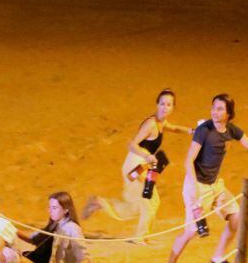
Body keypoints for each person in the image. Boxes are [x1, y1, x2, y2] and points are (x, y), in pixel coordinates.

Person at [160, 94, 248, 263]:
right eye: (213, 107)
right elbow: (188, 161)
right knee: (191, 231)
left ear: (229, 114)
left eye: (219, 109)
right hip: (197, 185)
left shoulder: (230, 130)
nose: (214, 112)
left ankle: (217, 259)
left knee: (237, 217)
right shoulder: (204, 130)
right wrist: (196, 191)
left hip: (216, 185)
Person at [83, 89, 193, 242]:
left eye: (169, 105)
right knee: (150, 201)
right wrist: (147, 155)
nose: (165, 107)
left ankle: (100, 202)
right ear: (157, 104)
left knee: (135, 205)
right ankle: (140, 238)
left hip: (142, 165)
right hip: (135, 165)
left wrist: (192, 131)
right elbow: (132, 144)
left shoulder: (161, 123)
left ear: (173, 107)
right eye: (162, 104)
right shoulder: (151, 124)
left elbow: (173, 128)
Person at [20, 192, 90, 263]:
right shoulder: (53, 225)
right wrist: (11, 229)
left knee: (10, 256)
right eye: (49, 207)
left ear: (66, 210)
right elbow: (33, 239)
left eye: (54, 208)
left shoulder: (72, 228)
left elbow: (85, 259)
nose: (50, 211)